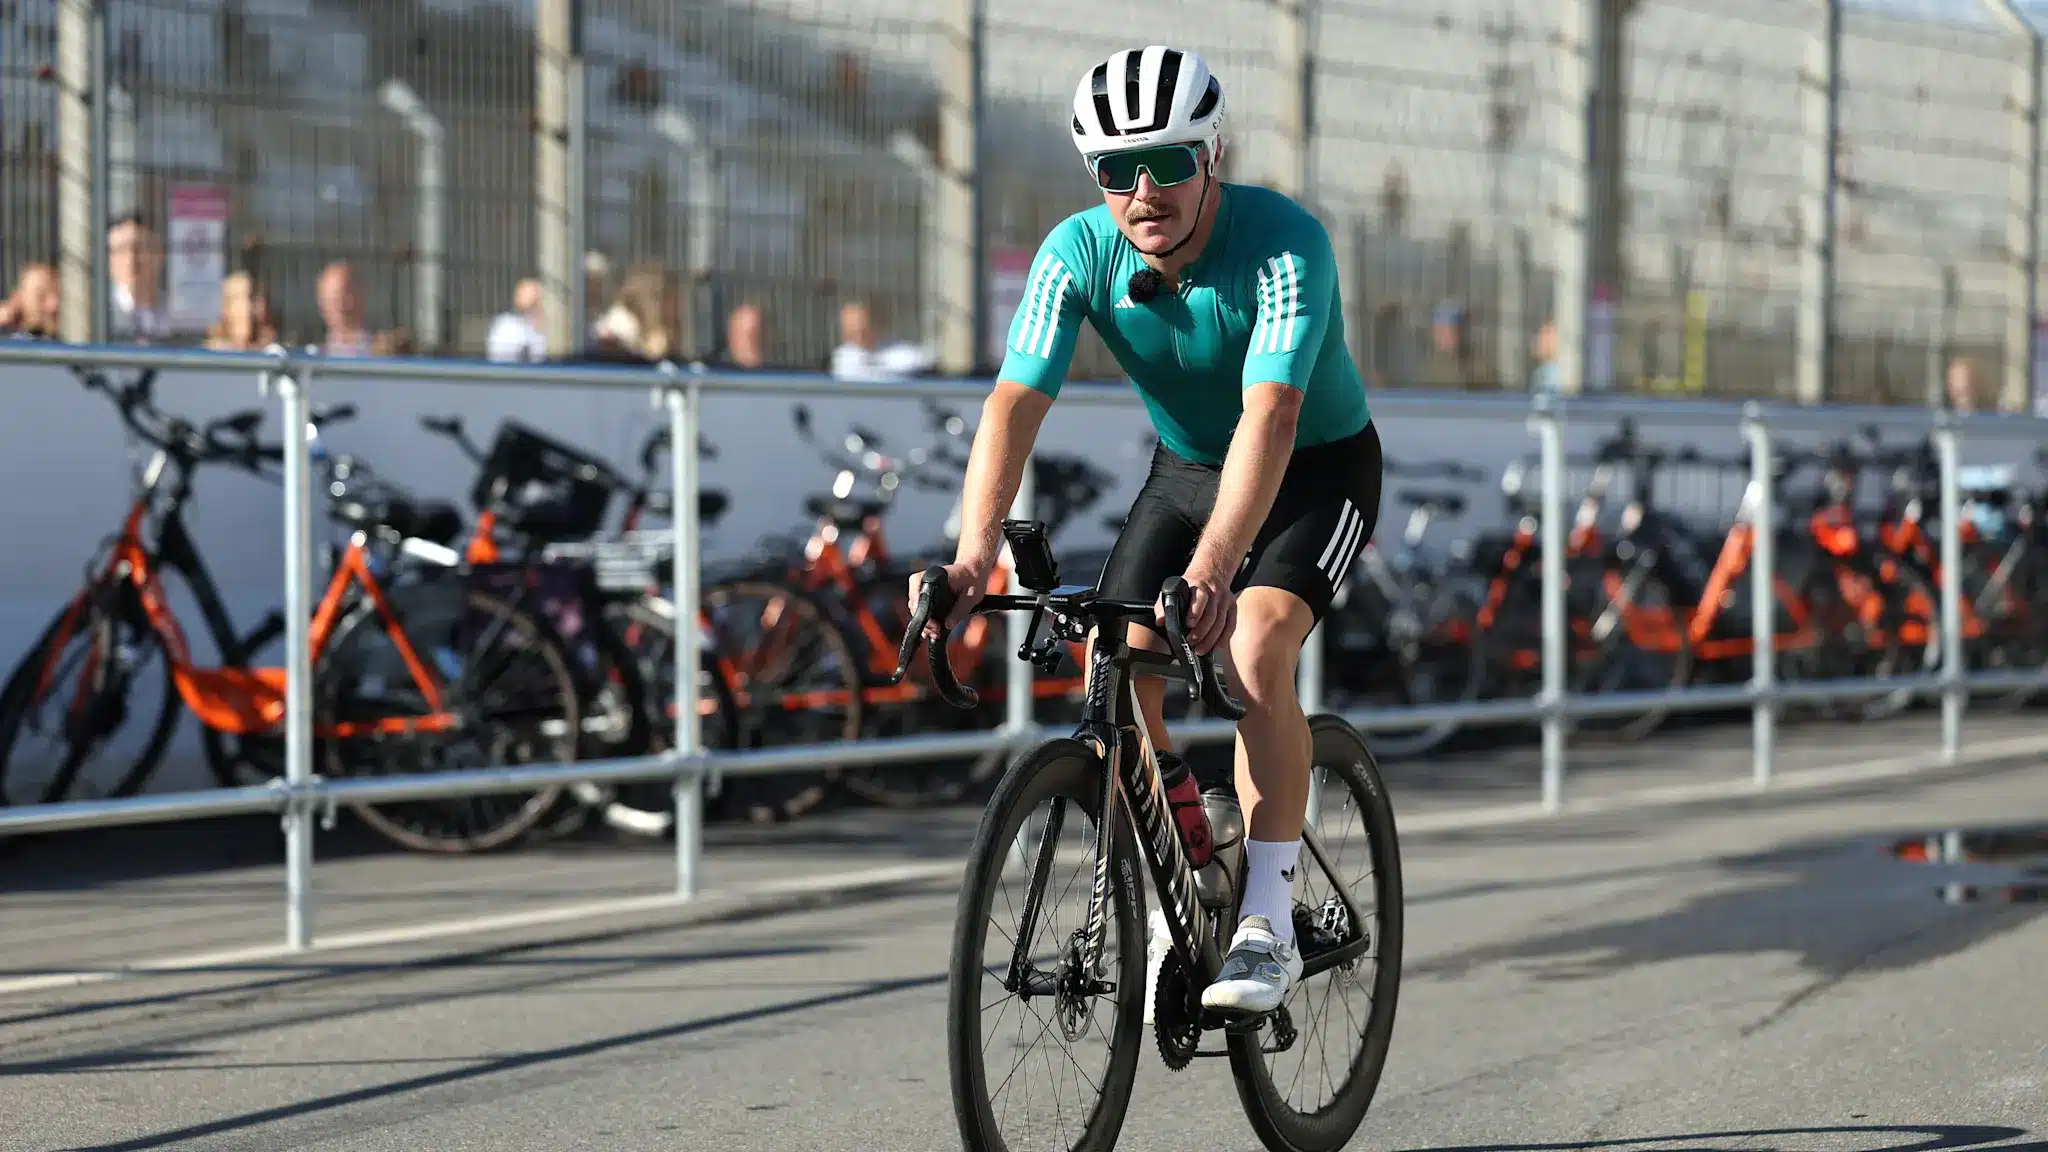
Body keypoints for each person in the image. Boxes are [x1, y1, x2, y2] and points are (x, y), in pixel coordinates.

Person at [908, 45, 1381, 1019]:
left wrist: (1213, 569)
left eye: (1165, 162)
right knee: (1116, 666)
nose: (1142, 191)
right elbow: (1012, 404)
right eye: (1115, 169)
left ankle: (1266, 918)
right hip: (1188, 470)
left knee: (1252, 649)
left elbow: (1271, 415)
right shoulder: (1077, 252)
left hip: (1314, 467)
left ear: (1212, 157)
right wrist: (971, 557)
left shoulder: (1285, 243)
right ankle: (1189, 862)